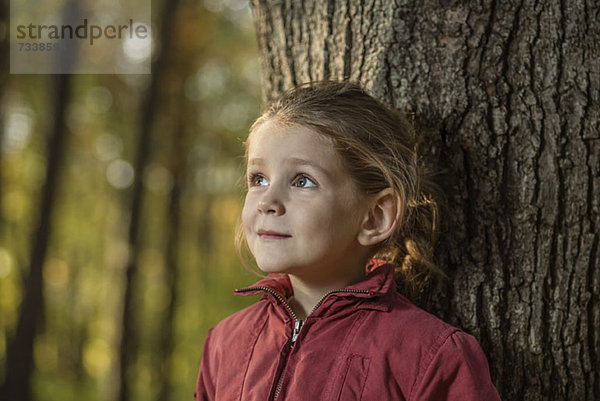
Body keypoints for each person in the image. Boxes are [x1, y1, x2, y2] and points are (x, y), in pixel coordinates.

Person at [194, 81, 502, 401]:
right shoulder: (225, 342)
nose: (267, 201)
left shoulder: (431, 356)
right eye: (259, 179)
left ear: (375, 217)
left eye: (303, 181)